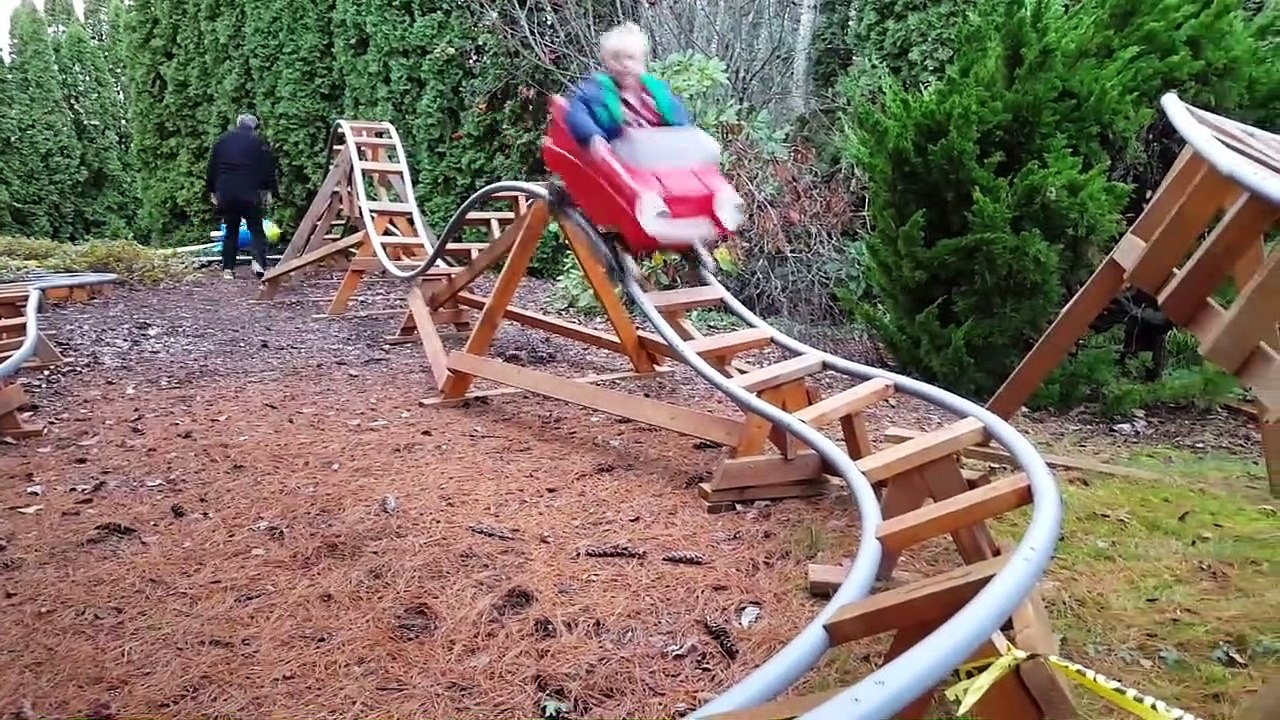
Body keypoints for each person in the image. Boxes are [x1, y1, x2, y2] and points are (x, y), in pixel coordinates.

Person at [564, 22, 694, 159]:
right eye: (616, 59)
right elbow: (577, 113)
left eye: (630, 58)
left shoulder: (657, 92)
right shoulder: (596, 90)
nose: (624, 65)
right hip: (625, 154)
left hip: (662, 154)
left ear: (641, 60)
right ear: (607, 62)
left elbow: (680, 119)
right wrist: (593, 136)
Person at [205, 113, 278, 281]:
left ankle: (228, 269)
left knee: (231, 230)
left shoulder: (222, 141)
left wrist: (212, 191)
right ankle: (259, 263)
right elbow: (268, 168)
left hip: (227, 192)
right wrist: (268, 191)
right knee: (256, 229)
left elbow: (212, 167)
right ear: (254, 127)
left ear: (237, 124)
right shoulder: (259, 143)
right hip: (250, 192)